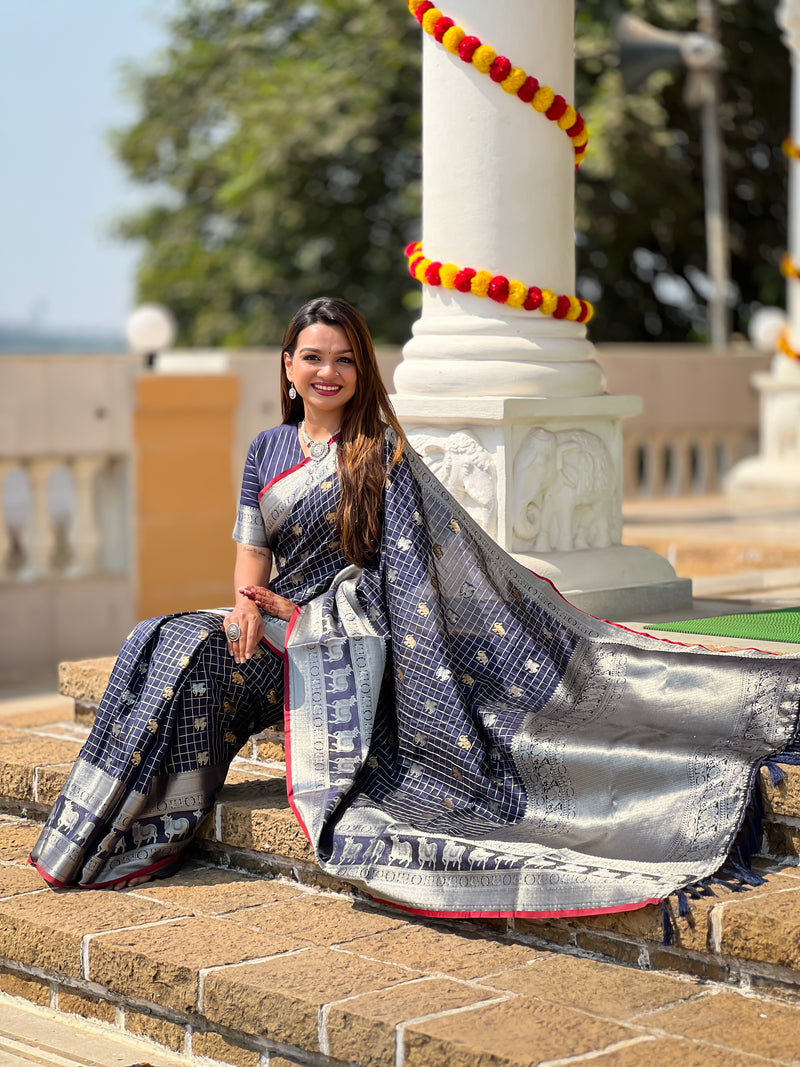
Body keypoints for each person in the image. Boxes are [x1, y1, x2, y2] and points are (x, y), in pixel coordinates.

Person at [30, 297, 800, 923]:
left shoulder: (382, 455)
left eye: (344, 359)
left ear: (362, 370)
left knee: (187, 654)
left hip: (341, 643)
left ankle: (139, 829)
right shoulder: (266, 448)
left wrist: (307, 617)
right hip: (266, 626)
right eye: (312, 357)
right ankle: (111, 830)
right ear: (288, 367)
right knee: (164, 637)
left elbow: (413, 575)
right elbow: (250, 549)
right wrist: (241, 604)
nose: (327, 371)